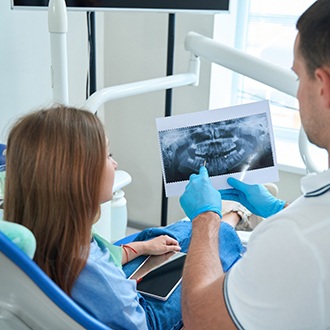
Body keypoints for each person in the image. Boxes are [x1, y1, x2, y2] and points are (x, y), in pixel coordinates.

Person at [3, 105, 244, 330]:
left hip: (110, 291)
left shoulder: (39, 231)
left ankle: (213, 217)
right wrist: (127, 288)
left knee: (157, 238)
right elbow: (138, 322)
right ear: (80, 177)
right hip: (146, 316)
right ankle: (234, 214)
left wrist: (141, 250)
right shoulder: (91, 268)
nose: (115, 163)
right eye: (108, 155)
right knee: (218, 238)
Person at [179, 1, 330, 329]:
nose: (298, 94)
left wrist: (205, 218)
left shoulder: (297, 238)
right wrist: (279, 208)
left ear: (324, 86)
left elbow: (200, 319)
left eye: (298, 78)